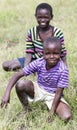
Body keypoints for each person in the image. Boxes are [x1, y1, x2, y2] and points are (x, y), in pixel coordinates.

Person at [1, 37, 72, 122]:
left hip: (53, 95)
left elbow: (58, 93)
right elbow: (17, 75)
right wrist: (6, 93)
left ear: (60, 54)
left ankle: (49, 105)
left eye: (56, 53)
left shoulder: (63, 70)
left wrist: (51, 112)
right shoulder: (39, 62)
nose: (52, 56)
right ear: (43, 53)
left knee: (67, 116)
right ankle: (26, 110)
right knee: (21, 84)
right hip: (39, 89)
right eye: (48, 53)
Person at [2, 3, 67, 71]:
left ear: (51, 17)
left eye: (46, 17)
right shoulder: (32, 32)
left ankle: (39, 70)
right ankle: (33, 70)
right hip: (35, 60)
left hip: (51, 61)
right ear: (36, 16)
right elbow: (29, 51)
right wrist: (26, 69)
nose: (42, 20)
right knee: (6, 65)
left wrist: (65, 68)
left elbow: (62, 52)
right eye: (40, 17)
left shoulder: (57, 32)